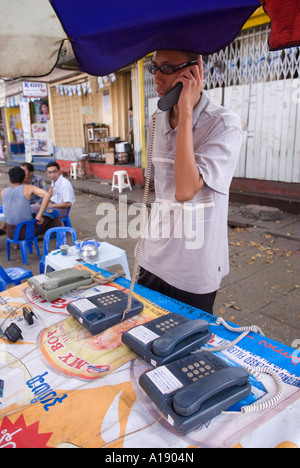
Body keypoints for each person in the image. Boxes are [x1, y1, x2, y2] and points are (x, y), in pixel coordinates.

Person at [137, 50, 243, 315]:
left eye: (167, 69)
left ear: (194, 72)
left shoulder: (222, 124)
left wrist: (185, 111)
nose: (157, 79)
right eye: (154, 69)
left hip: (193, 267)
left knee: (179, 348)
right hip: (153, 256)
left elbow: (185, 190)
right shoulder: (157, 119)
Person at [1, 167, 61, 240]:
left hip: (11, 233)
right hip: (26, 233)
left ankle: (17, 244)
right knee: (53, 214)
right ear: (24, 178)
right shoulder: (28, 188)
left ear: (10, 180)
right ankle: (58, 238)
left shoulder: (3, 192)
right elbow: (47, 195)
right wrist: (39, 215)